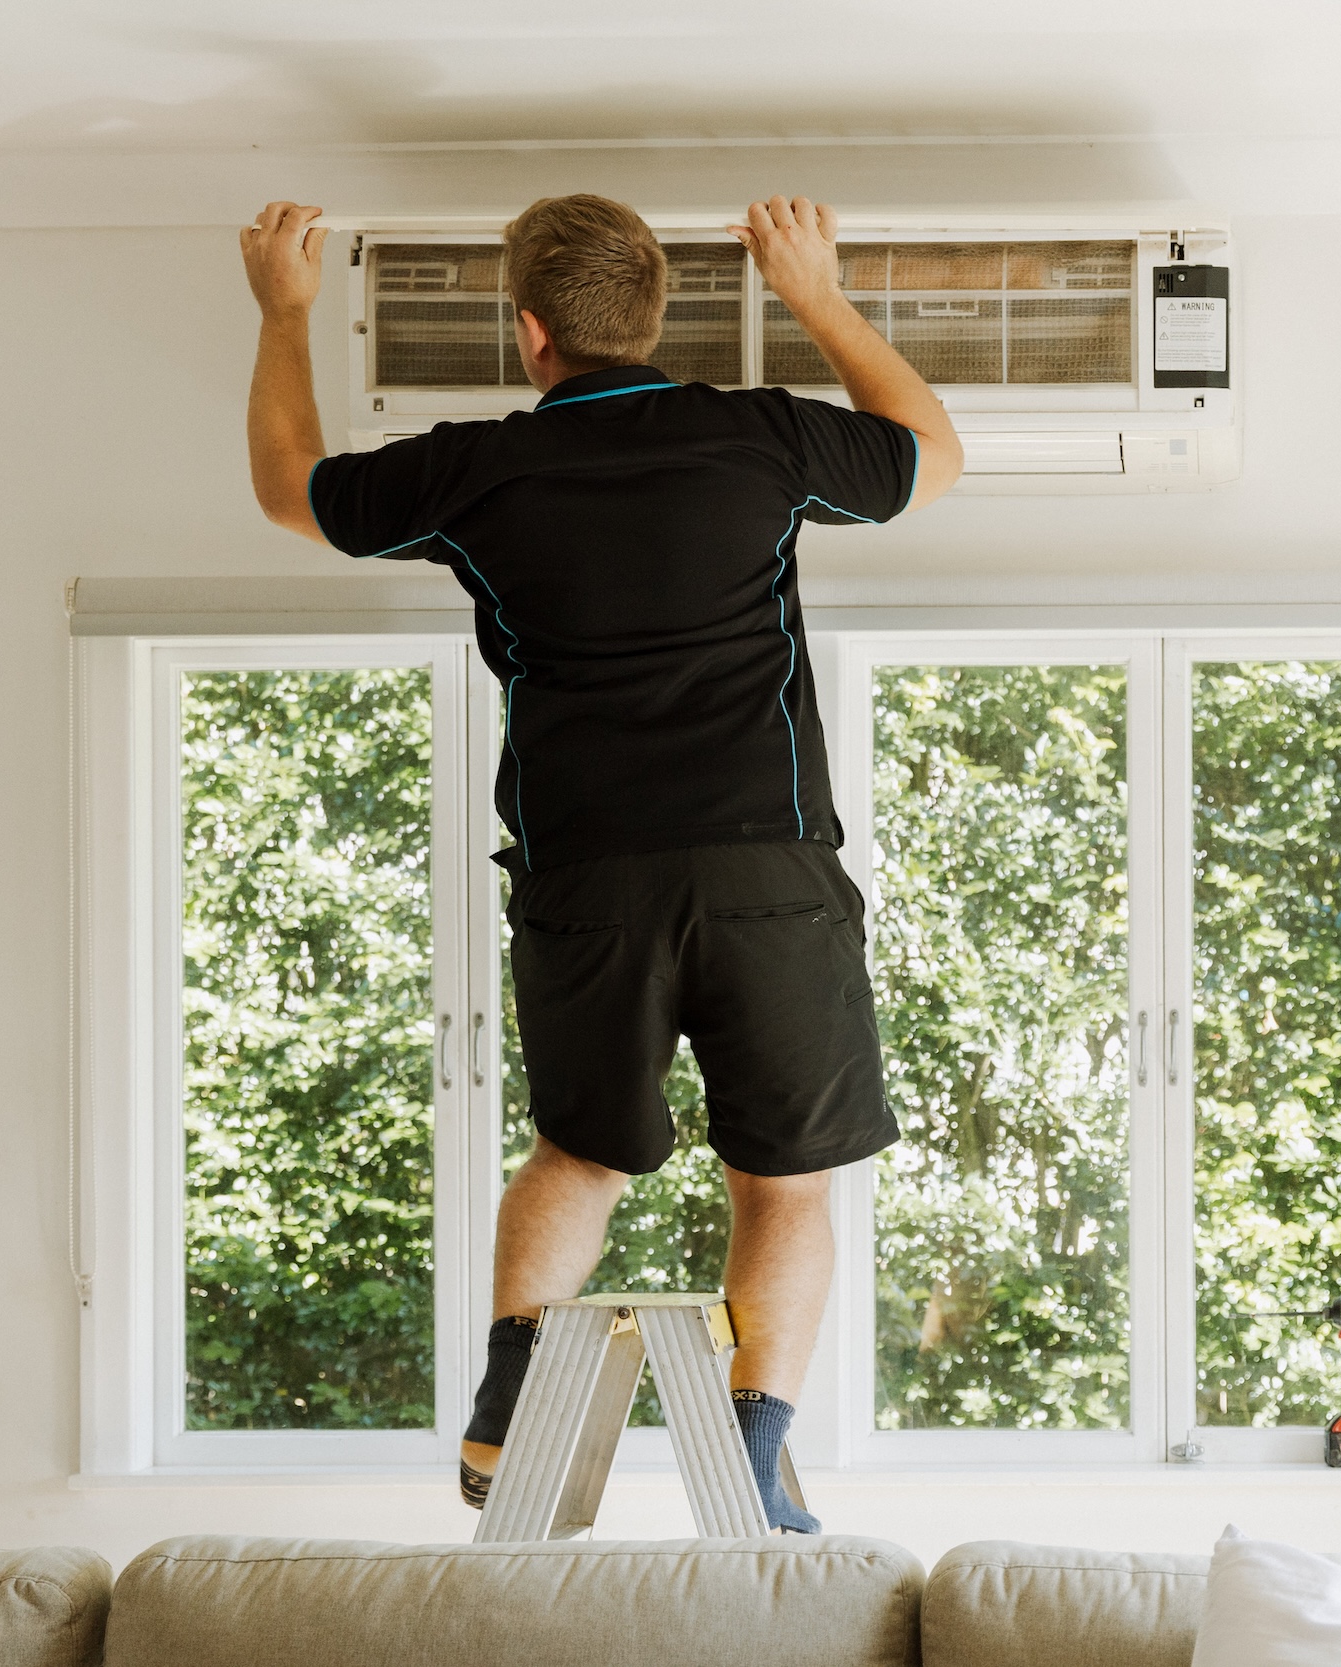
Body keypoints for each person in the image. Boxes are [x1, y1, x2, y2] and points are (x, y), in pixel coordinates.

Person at [240, 192, 961, 1533]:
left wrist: (287, 314)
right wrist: (811, 291)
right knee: (786, 1180)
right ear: (657, 318)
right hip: (768, 870)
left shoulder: (478, 471)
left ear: (531, 335)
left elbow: (294, 490)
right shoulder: (758, 436)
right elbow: (932, 454)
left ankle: (512, 1407)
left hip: (587, 880)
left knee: (582, 1153)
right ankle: (749, 1453)